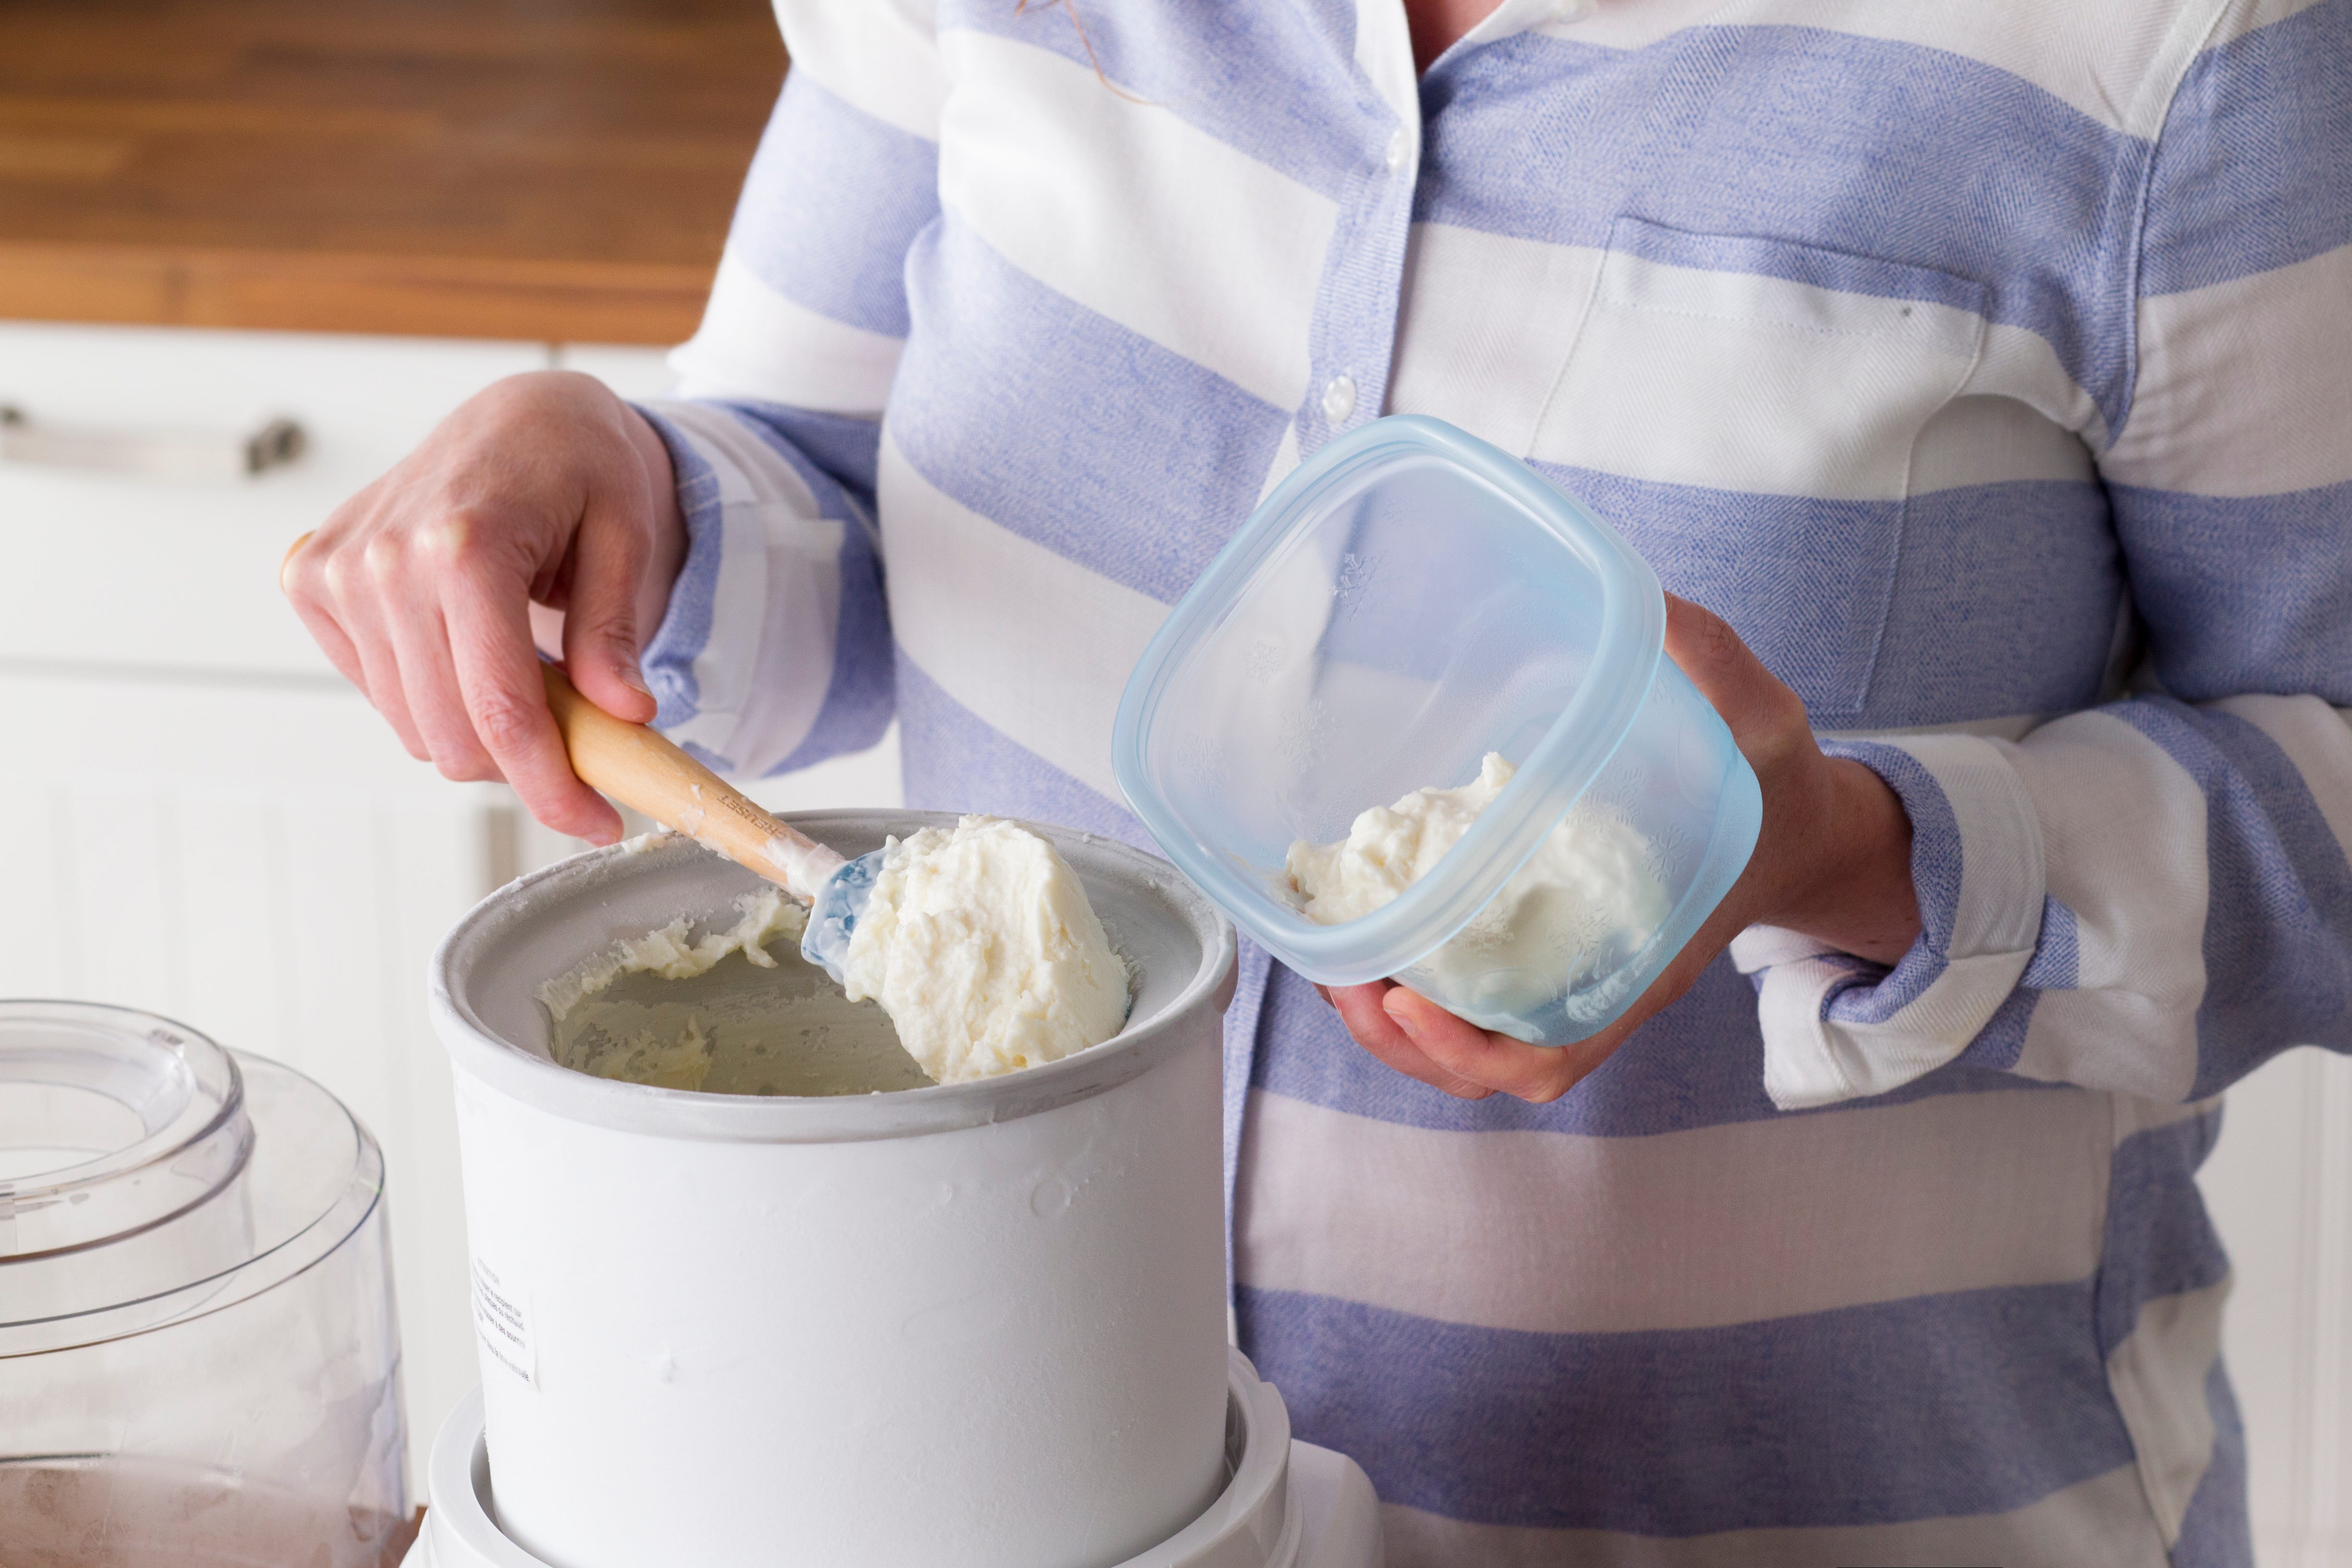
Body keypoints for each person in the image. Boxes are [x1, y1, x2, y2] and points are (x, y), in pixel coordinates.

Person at [283, 1, 2351, 1560]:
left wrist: (1848, 855)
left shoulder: (2181, 58)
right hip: (1073, 1508)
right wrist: (614, 477)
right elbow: (814, 492)